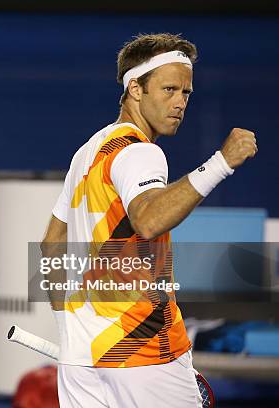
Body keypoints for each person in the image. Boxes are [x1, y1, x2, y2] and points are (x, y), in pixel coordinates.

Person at [41, 33, 256, 407]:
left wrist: (68, 329)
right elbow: (149, 219)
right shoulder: (139, 152)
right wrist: (221, 163)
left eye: (186, 93)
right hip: (142, 349)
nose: (180, 103)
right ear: (135, 89)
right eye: (169, 89)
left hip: (82, 359)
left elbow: (51, 243)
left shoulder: (88, 151)